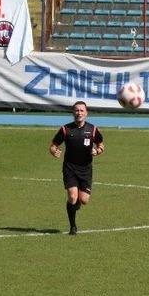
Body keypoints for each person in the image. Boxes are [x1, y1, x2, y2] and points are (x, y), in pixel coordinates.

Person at [49, 101, 105, 235]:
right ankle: (72, 226)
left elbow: (101, 145)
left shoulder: (92, 129)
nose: (79, 113)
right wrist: (54, 151)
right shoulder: (65, 129)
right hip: (70, 168)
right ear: (73, 113)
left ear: (86, 113)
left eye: (81, 111)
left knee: (84, 200)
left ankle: (77, 204)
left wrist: (97, 151)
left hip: (86, 169)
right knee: (72, 198)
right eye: (76, 110)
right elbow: (53, 145)